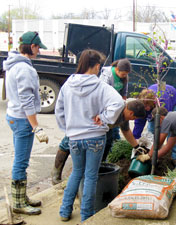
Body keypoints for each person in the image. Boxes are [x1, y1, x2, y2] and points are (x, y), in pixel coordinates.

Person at [55, 49, 125, 222]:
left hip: (74, 138)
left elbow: (59, 110)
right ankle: (86, 216)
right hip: (95, 137)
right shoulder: (101, 86)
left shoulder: (68, 84)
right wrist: (104, 118)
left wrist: (69, 129)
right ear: (96, 66)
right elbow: (118, 103)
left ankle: (64, 211)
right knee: (91, 176)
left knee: (76, 172)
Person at [3, 31, 49, 215]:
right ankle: (18, 204)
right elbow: (27, 99)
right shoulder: (25, 69)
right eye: (38, 47)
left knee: (20, 160)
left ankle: (21, 197)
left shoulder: (13, 64)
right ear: (32, 46)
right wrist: (35, 126)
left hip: (13, 115)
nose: (39, 51)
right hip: (22, 119)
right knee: (21, 163)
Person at [51, 100, 146, 185]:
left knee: (106, 145)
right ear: (131, 113)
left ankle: (95, 173)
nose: (133, 120)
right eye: (134, 118)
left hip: (105, 128)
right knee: (67, 143)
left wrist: (137, 146)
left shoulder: (125, 115)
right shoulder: (114, 108)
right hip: (87, 120)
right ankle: (56, 173)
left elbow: (126, 131)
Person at [133, 84, 176, 160]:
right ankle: (153, 152)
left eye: (147, 106)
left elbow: (166, 124)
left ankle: (173, 157)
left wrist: (160, 139)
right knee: (151, 131)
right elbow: (139, 122)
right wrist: (136, 138)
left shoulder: (163, 102)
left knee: (172, 130)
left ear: (152, 103)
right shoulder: (141, 105)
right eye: (144, 107)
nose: (146, 108)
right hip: (155, 103)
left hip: (172, 98)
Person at [99, 58, 132, 141]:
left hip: (117, 103)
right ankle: (114, 141)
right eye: (123, 74)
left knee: (116, 125)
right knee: (110, 126)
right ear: (117, 69)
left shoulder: (124, 77)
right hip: (106, 104)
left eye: (126, 74)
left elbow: (124, 92)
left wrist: (123, 102)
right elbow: (103, 93)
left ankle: (115, 141)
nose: (125, 76)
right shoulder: (107, 75)